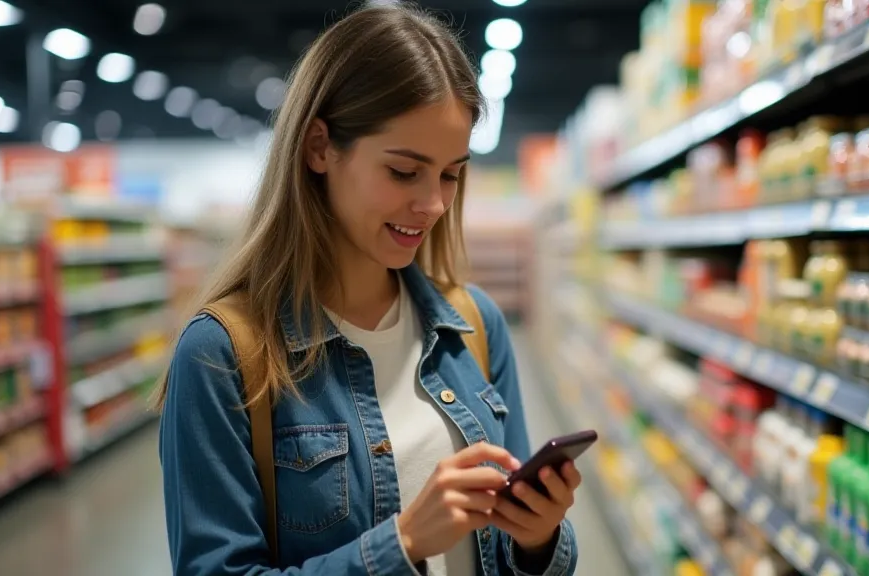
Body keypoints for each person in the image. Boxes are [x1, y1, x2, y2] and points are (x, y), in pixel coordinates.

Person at [154, 4, 581, 576]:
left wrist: (538, 539)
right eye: (404, 171)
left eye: (451, 173)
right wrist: (401, 545)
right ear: (319, 148)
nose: (433, 203)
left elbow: (508, 551)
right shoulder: (224, 356)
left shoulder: (474, 327)